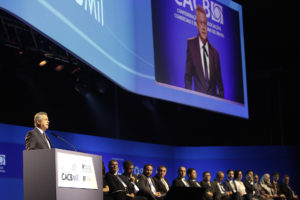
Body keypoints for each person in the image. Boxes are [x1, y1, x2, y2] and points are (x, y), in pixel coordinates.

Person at [184, 5, 224, 98]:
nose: (203, 27)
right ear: (197, 24)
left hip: (214, 107)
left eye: (205, 24)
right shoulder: (191, 45)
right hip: (197, 102)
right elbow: (188, 77)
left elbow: (220, 85)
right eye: (201, 23)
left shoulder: (215, 53)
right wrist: (187, 99)